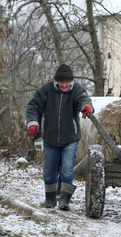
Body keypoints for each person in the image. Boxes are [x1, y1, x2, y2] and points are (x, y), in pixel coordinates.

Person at [26, 64, 93, 211]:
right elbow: (33, 106)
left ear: (71, 82)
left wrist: (86, 107)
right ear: (56, 81)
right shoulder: (46, 90)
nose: (64, 85)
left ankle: (64, 201)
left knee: (67, 169)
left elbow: (84, 99)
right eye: (61, 82)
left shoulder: (77, 90)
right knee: (50, 170)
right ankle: (50, 200)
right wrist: (32, 122)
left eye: (67, 83)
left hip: (70, 137)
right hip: (49, 137)